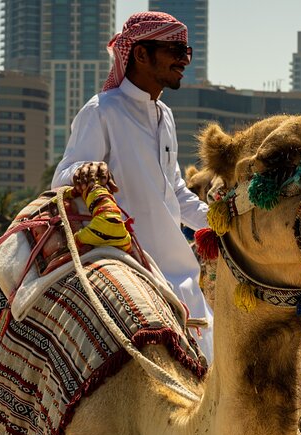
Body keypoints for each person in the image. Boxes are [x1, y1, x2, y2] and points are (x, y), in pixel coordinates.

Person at [51, 12, 213, 361]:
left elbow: (176, 193)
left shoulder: (164, 116)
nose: (184, 59)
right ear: (140, 54)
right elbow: (61, 177)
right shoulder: (102, 111)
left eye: (187, 50)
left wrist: (222, 220)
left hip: (180, 274)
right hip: (126, 267)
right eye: (175, 49)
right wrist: (84, 170)